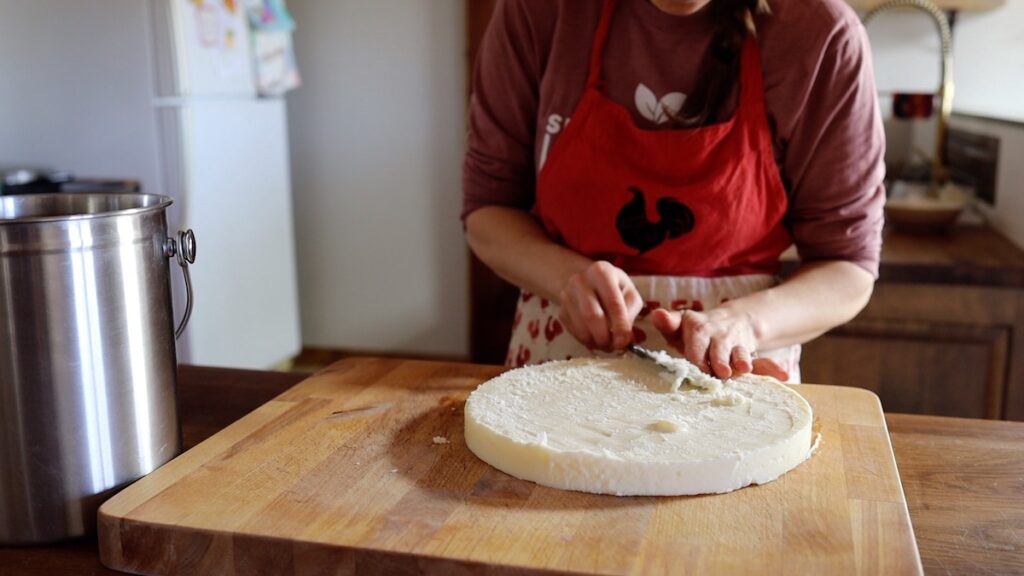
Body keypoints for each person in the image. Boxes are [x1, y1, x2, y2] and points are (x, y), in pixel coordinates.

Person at [462, 0, 885, 382]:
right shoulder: (541, 11)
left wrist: (743, 323)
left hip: (734, 365)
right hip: (560, 353)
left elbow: (847, 268)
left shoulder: (821, 35)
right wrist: (566, 279)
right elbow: (489, 212)